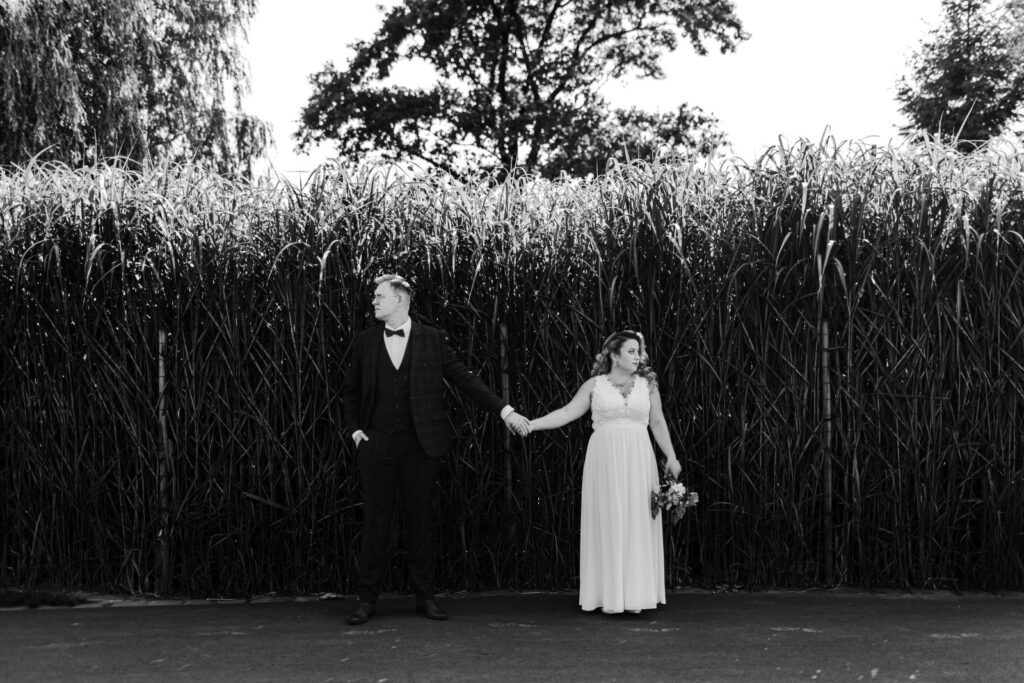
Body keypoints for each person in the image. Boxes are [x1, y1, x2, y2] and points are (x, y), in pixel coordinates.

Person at [341, 274, 530, 625]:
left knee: (421, 522)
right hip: (377, 444)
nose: (374, 301)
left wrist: (505, 411)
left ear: (401, 300)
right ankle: (366, 600)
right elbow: (350, 390)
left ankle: (425, 597)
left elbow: (464, 378)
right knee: (375, 523)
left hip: (421, 446)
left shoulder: (432, 338)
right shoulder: (365, 341)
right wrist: (355, 431)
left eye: (380, 296)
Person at [525, 330, 682, 614]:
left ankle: (636, 595)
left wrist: (670, 455)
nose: (638, 357)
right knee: (609, 518)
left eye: (639, 352)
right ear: (614, 355)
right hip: (605, 461)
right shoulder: (594, 385)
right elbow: (566, 413)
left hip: (639, 459)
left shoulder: (647, 385)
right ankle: (608, 595)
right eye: (631, 351)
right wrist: (532, 424)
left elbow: (657, 422)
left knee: (637, 519)